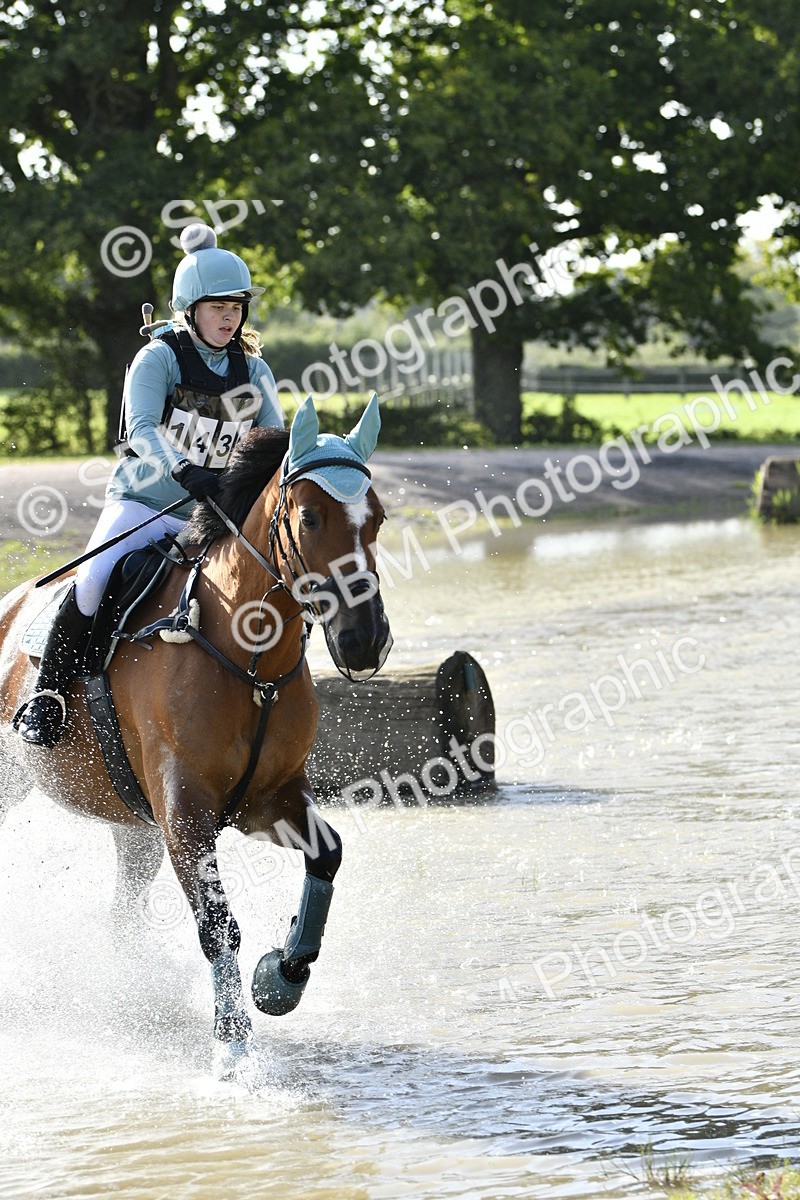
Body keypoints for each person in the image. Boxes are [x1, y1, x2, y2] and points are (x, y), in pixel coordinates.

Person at [15, 223, 285, 747]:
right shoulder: (157, 358)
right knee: (93, 580)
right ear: (191, 310)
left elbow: (272, 439)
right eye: (217, 307)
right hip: (145, 502)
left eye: (236, 308)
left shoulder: (254, 371)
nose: (229, 317)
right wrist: (184, 469)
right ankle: (47, 695)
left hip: (213, 515)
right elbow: (140, 429)